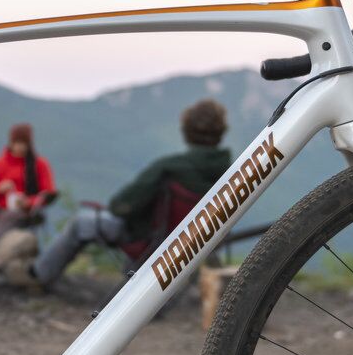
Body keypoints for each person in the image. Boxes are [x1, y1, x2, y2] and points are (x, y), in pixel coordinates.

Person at [28, 99, 232, 286]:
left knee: (82, 223)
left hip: (148, 238)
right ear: (221, 131)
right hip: (192, 243)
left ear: (187, 131)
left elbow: (122, 206)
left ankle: (38, 276)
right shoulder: (232, 172)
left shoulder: (169, 167)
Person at [0, 123, 57, 245]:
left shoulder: (39, 165)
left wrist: (28, 202)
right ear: (11, 143)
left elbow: (47, 194)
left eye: (23, 144)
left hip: (21, 210)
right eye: (17, 143)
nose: (20, 147)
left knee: (8, 216)